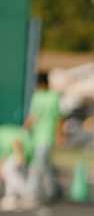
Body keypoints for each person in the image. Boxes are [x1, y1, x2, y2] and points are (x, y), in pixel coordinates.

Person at [24, 71, 62, 205]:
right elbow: (33, 117)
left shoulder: (50, 97)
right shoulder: (41, 97)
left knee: (36, 165)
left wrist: (59, 135)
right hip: (39, 137)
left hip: (45, 136)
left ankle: (31, 193)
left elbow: (57, 118)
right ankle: (53, 190)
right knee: (44, 165)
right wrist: (26, 128)